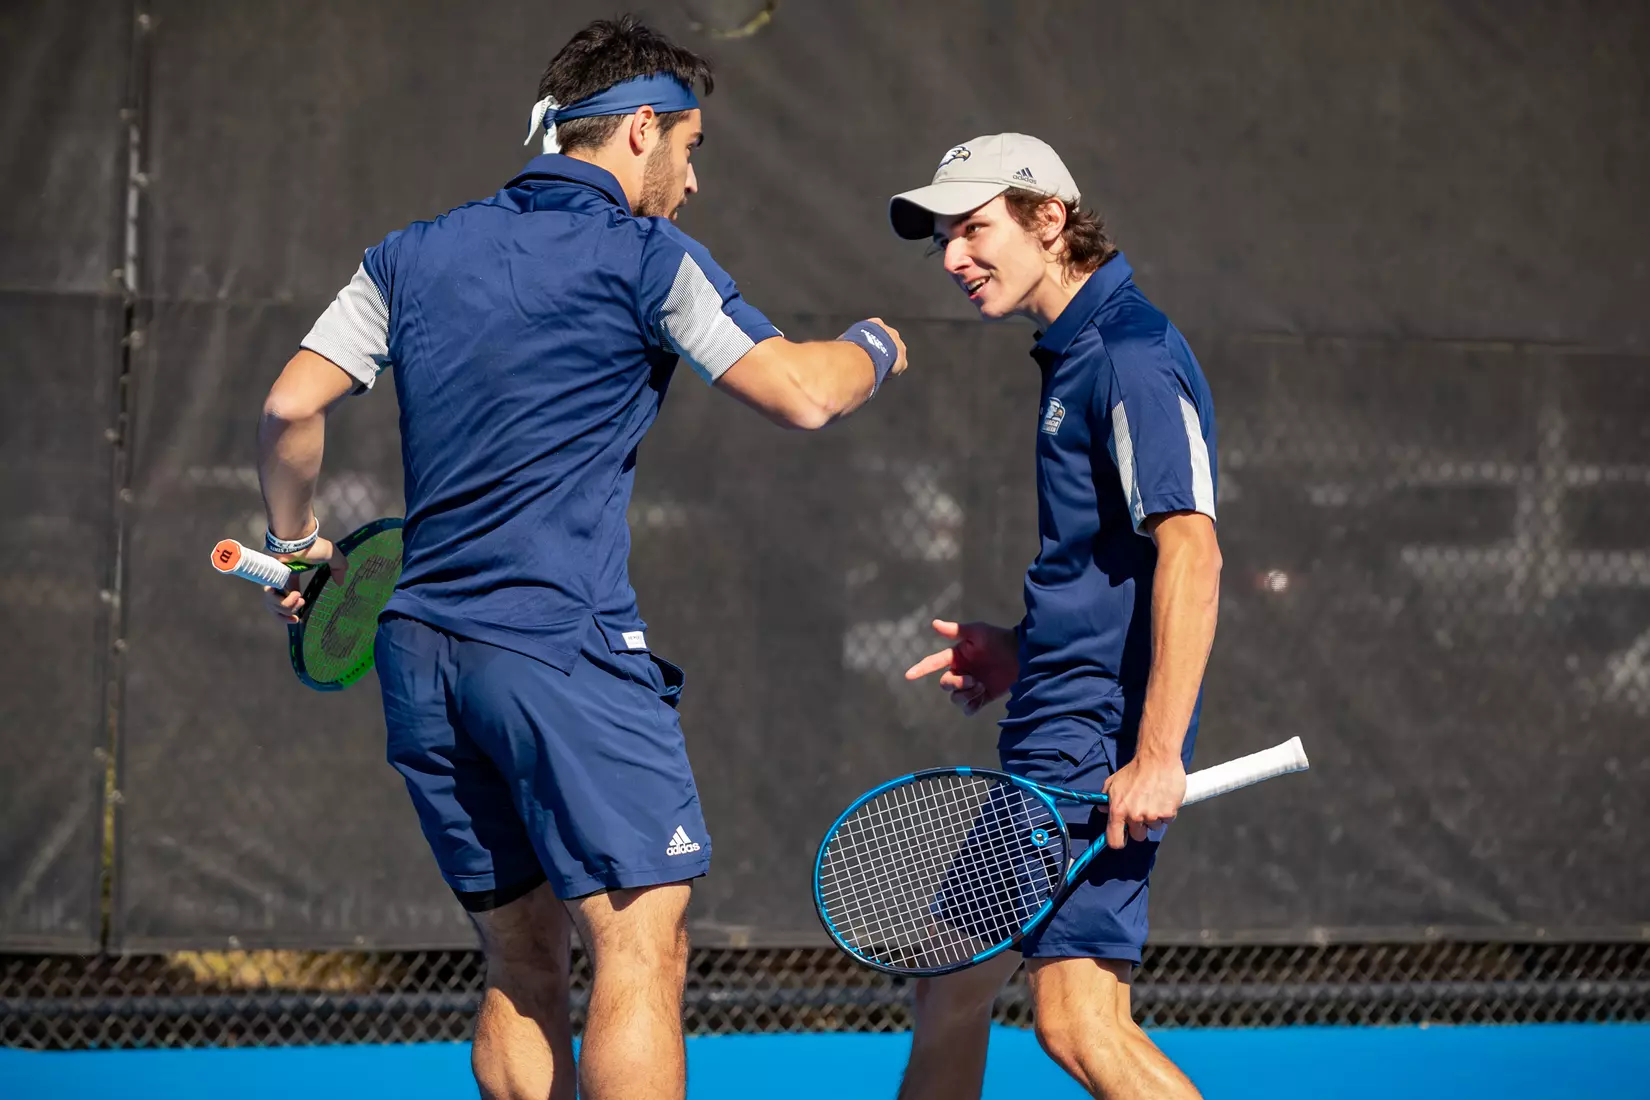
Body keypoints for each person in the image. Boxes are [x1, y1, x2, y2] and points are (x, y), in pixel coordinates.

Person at [251, 17, 907, 1100]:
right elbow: (804, 392)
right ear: (641, 130)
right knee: (642, 947)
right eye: (691, 149)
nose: (693, 182)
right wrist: (879, 346)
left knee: (522, 957)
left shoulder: (407, 255)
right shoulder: (648, 258)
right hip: (561, 648)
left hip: (421, 662)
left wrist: (292, 541)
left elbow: (287, 403)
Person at [889, 133, 1220, 1100]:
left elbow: (1191, 554)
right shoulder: (1076, 350)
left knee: (1078, 1023)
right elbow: (1111, 572)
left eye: (975, 228)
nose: (953, 256)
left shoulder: (1129, 354)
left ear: (1049, 219)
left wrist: (1155, 756)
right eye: (944, 236)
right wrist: (1024, 649)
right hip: (1054, 715)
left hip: (1093, 742)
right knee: (953, 982)